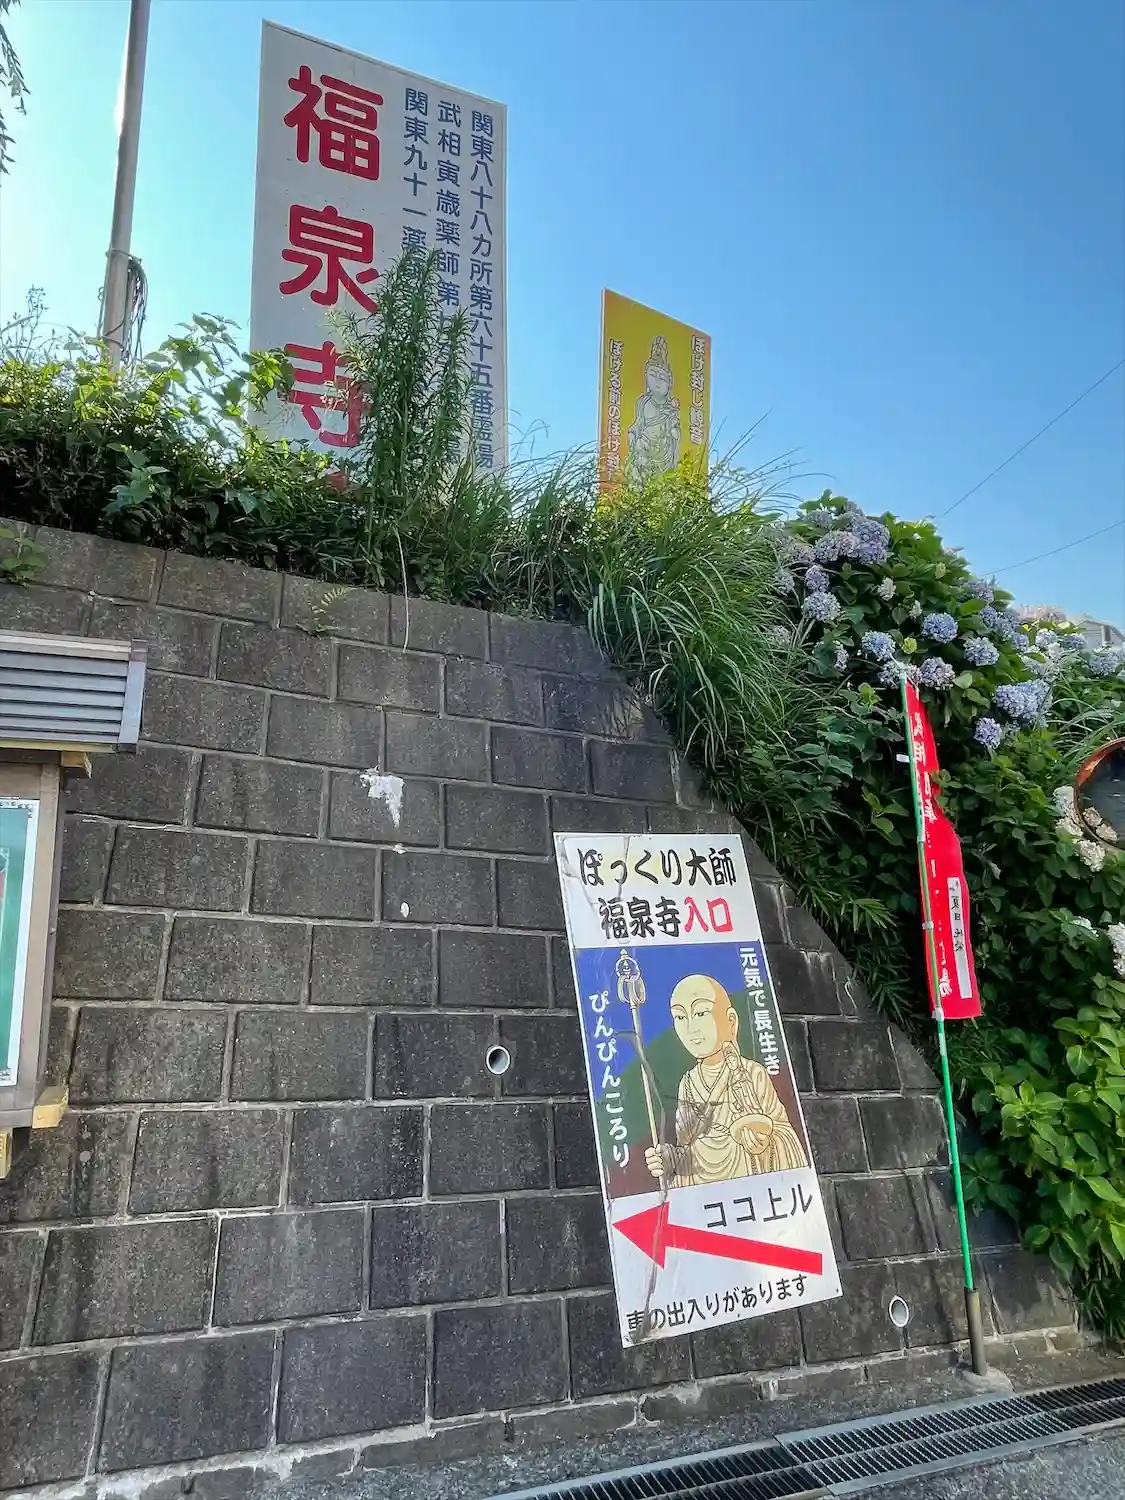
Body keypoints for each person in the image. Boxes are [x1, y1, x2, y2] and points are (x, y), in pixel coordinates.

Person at [645, 974, 807, 1186]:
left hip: (749, 1181)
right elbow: (687, 1149)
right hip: (704, 1189)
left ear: (731, 1021)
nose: (691, 1027)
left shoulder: (752, 1073)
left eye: (701, 1013)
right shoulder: (688, 1084)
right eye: (680, 1017)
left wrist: (765, 1142)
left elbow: (784, 1134)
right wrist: (668, 1158)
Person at [626, 335, 681, 482]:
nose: (657, 381)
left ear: (669, 384)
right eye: (652, 375)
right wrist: (632, 433)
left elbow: (674, 428)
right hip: (645, 446)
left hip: (663, 449)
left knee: (662, 482)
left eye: (662, 378)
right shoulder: (643, 402)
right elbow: (638, 423)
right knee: (640, 451)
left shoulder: (670, 408)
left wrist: (674, 431)